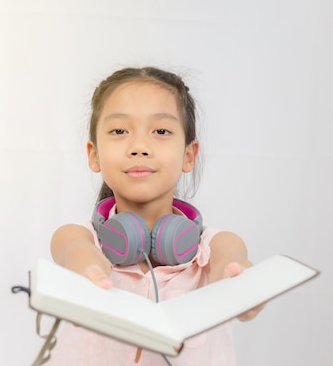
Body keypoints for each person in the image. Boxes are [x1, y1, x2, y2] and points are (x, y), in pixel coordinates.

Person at [48, 67, 264, 365]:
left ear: (189, 155)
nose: (139, 147)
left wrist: (238, 288)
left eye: (161, 131)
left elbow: (231, 262)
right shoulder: (77, 237)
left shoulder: (215, 247)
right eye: (119, 131)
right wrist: (90, 272)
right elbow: (77, 253)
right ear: (93, 154)